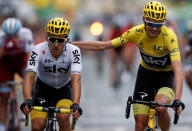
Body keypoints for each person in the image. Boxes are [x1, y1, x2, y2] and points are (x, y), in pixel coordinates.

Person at [72, 1, 185, 131]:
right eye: (151, 24)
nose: (154, 28)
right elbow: (104, 45)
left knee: (160, 108)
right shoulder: (135, 32)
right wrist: (73, 43)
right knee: (139, 124)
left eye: (158, 25)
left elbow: (178, 69)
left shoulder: (169, 36)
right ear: (144, 20)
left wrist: (177, 99)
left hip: (165, 76)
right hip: (146, 75)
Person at [20, 17, 83, 131]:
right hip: (43, 88)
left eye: (60, 40)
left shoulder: (74, 51)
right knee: (37, 126)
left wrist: (76, 104)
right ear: (46, 38)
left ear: (67, 40)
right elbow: (29, 76)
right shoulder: (37, 50)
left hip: (64, 89)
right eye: (52, 39)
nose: (56, 44)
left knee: (63, 117)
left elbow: (76, 78)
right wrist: (27, 100)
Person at [0, 18, 34, 131]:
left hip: (21, 63)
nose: (12, 37)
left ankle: (29, 103)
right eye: (9, 35)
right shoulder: (1, 37)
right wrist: (6, 47)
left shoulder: (26, 34)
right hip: (6, 65)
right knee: (4, 98)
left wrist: (29, 79)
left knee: (31, 80)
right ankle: (2, 126)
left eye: (14, 35)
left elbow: (30, 55)